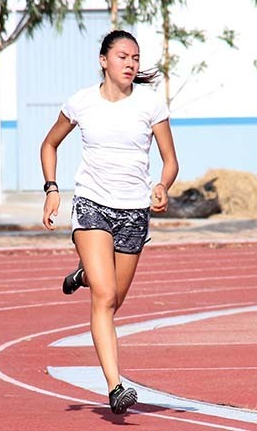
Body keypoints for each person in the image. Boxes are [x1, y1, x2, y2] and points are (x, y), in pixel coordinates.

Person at [40, 29, 179, 414]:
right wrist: (52, 188)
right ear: (104, 60)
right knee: (104, 298)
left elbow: (170, 160)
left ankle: (84, 274)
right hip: (92, 204)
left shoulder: (150, 105)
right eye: (122, 57)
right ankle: (116, 387)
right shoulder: (81, 102)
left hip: (134, 211)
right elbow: (49, 143)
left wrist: (162, 186)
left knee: (114, 298)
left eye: (135, 58)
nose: (131, 64)